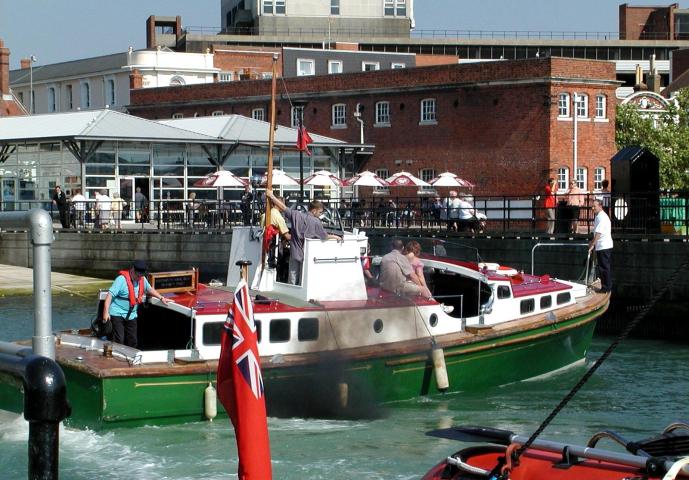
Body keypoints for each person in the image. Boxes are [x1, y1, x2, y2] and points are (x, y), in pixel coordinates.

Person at [265, 190, 340, 285]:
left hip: (295, 251)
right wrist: (336, 236)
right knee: (303, 279)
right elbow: (324, 236)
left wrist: (272, 196)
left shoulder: (297, 215)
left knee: (292, 277)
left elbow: (284, 207)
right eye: (320, 212)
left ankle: (291, 293)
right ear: (314, 210)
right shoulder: (316, 222)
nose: (320, 214)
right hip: (307, 254)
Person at [102, 260, 171, 348]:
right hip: (117, 313)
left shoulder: (142, 279)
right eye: (138, 275)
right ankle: (117, 357)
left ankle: (130, 358)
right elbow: (109, 296)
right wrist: (106, 312)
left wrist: (161, 298)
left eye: (141, 276)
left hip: (132, 314)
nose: (139, 278)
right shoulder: (121, 280)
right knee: (119, 339)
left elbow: (149, 289)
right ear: (133, 270)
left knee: (133, 340)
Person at [588, 199, 613, 293]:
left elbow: (598, 233)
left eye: (594, 206)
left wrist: (591, 244)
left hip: (604, 246)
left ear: (600, 206)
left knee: (604, 267)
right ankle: (606, 286)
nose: (592, 208)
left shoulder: (602, 217)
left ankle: (606, 288)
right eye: (592, 206)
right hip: (602, 245)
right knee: (604, 267)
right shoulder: (598, 216)